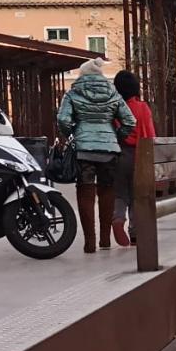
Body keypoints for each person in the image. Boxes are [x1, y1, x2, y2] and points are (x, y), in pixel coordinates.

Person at [57, 59, 136, 252]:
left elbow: (62, 119)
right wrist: (115, 137)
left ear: (83, 74)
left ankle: (89, 242)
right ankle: (105, 240)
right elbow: (130, 121)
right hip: (109, 150)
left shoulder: (73, 92)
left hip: (84, 149)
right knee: (107, 190)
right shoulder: (113, 93)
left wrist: (73, 134)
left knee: (85, 191)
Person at [111, 69, 155, 247]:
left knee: (120, 193)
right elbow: (151, 134)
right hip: (140, 155)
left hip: (120, 154)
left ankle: (118, 219)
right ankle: (136, 234)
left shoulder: (115, 109)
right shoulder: (143, 108)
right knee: (137, 196)